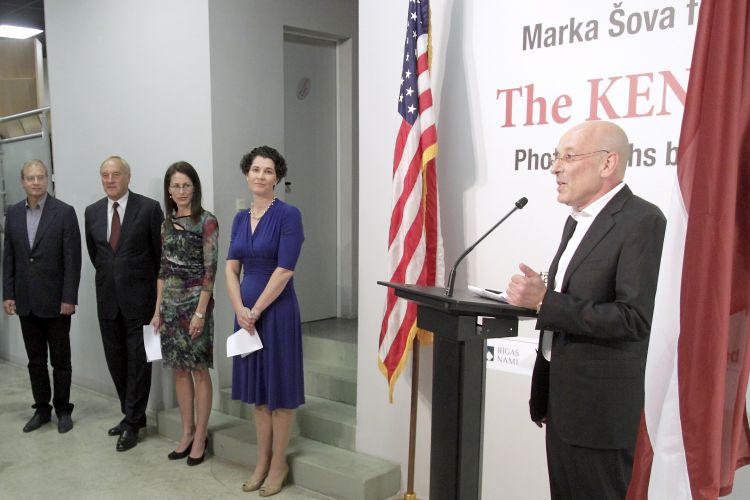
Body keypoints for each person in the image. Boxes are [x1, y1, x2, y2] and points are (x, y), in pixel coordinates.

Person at [505, 121, 666, 499]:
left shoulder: (643, 221)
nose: (555, 167)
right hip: (563, 404)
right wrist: (539, 299)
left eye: (568, 156)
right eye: (556, 156)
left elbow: (634, 318)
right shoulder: (576, 221)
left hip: (601, 416)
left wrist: (544, 301)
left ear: (608, 163)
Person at [226, 146, 304, 497]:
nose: (261, 175)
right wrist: (239, 308)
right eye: (255, 169)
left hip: (277, 313)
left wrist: (255, 310)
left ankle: (278, 464)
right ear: (247, 174)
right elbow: (231, 268)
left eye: (268, 170)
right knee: (259, 394)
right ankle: (261, 461)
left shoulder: (289, 215)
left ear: (277, 177)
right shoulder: (239, 219)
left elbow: (285, 270)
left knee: (279, 394)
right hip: (246, 317)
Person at [84, 155, 163, 452]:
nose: (110, 180)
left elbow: (159, 257)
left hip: (140, 302)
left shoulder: (149, 209)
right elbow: (98, 256)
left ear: (128, 177)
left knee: (138, 364)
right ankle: (132, 415)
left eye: (116, 174)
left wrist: (157, 303)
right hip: (107, 300)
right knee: (116, 362)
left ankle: (132, 423)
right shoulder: (92, 212)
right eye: (105, 175)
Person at [3, 160, 82, 434]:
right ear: (22, 182)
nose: (36, 182)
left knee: (60, 360)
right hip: (26, 300)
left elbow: (73, 260)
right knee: (35, 360)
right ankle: (42, 409)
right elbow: (9, 256)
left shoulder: (64, 212)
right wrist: (8, 293)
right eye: (30, 178)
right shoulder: (13, 213)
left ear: (47, 180)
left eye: (40, 177)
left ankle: (63, 409)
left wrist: (69, 297)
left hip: (57, 301)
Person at [150, 161, 218, 466]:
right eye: (176, 186)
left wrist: (200, 313)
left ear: (195, 188)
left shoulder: (207, 221)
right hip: (170, 306)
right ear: (169, 190)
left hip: (196, 305)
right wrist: (157, 311)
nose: (181, 191)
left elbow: (210, 272)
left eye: (186, 185)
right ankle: (187, 431)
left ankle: (201, 435)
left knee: (199, 370)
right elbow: (163, 270)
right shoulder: (166, 225)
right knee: (179, 370)